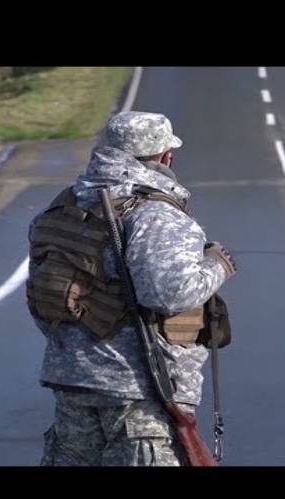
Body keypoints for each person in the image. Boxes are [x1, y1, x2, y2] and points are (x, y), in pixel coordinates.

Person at [27, 111, 237, 466]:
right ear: (165, 157)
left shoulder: (66, 205)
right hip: (142, 390)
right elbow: (170, 293)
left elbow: (43, 297)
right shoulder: (156, 213)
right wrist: (218, 265)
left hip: (73, 379)